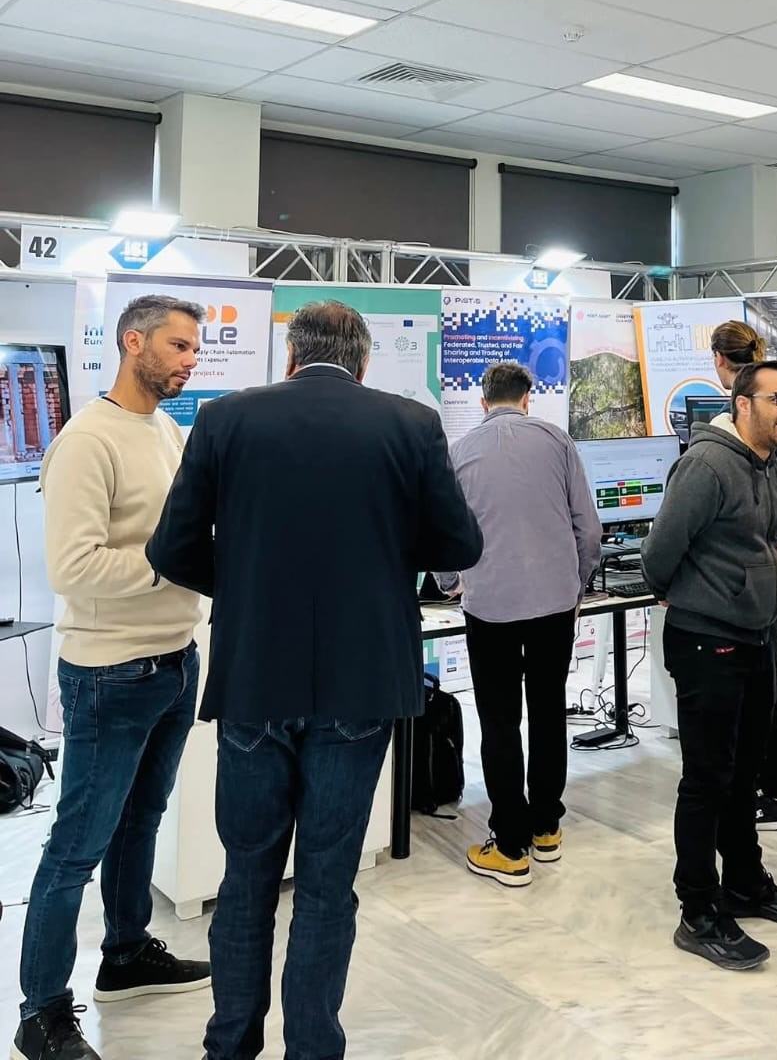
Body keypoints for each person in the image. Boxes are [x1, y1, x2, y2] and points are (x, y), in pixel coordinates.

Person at [146, 301, 483, 1060]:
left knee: (246, 878)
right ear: (363, 363)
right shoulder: (410, 423)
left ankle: (229, 1046)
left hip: (254, 678)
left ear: (291, 357)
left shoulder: (225, 419)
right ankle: (312, 1048)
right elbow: (458, 545)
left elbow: (171, 548)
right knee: (328, 884)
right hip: (361, 682)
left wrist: (242, 586)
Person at [14, 296, 210, 1060]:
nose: (191, 359)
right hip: (110, 672)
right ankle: (39, 1013)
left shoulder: (165, 430)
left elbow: (180, 530)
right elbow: (73, 567)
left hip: (175, 659)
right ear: (134, 342)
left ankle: (125, 954)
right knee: (76, 846)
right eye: (179, 346)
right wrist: (173, 567)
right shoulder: (86, 441)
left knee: (141, 821)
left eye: (195, 347)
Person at [642, 360, 777, 972]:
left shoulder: (769, 463)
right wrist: (679, 592)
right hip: (707, 639)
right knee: (708, 778)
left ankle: (744, 881)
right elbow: (660, 550)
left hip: (756, 636)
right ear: (743, 404)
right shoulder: (707, 465)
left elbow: (770, 530)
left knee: (746, 772)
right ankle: (698, 909)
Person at [435, 362, 602, 887]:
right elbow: (588, 529)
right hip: (555, 604)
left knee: (500, 721)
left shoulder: (459, 451)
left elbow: (445, 531)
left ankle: (510, 846)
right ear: (527, 398)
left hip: (491, 607)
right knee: (549, 711)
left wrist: (449, 582)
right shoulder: (558, 441)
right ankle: (547, 827)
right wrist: (576, 583)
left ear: (483, 402)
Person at [709, 321, 777, 831]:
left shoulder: (732, 426)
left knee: (758, 678)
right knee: (768, 670)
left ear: (718, 361)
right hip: (774, 554)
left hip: (749, 567)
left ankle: (774, 789)